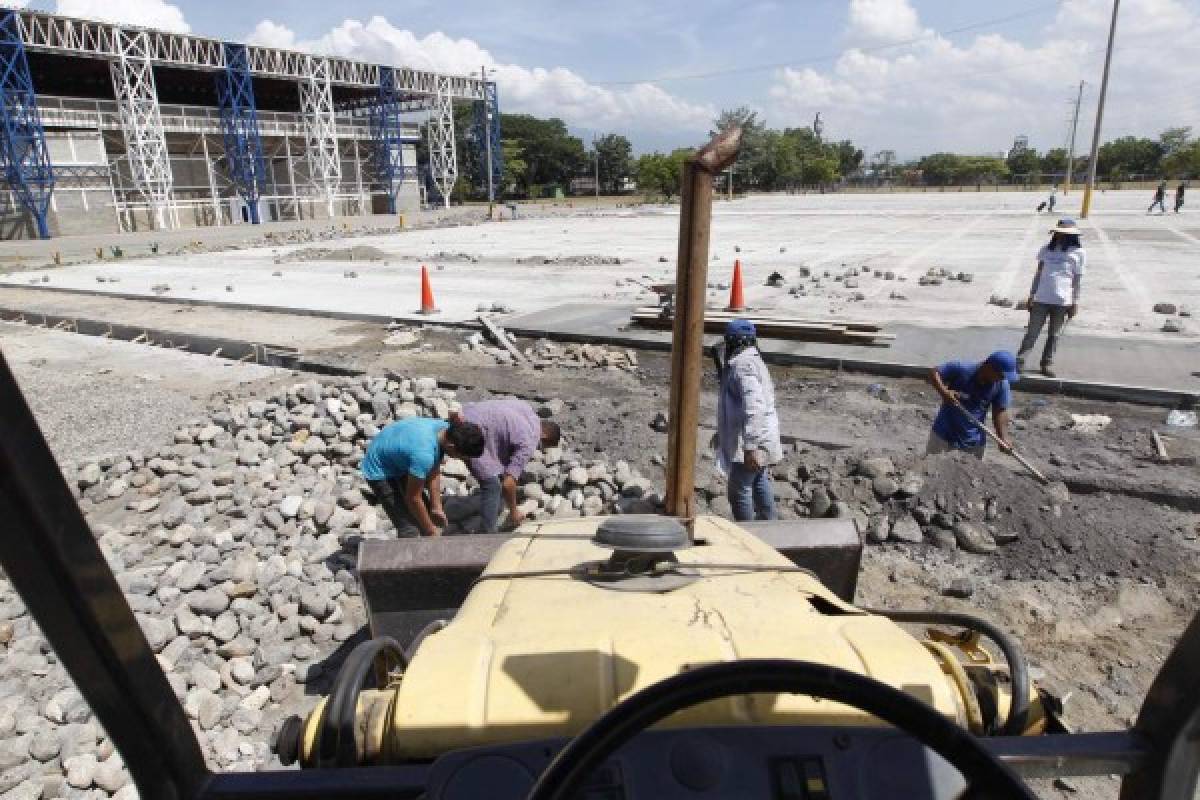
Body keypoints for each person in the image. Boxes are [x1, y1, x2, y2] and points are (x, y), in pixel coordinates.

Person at [361, 416, 485, 537]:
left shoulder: (445, 429)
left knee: (426, 515)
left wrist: (436, 507)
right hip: (379, 468)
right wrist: (430, 531)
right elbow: (413, 498)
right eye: (461, 457)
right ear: (451, 447)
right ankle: (410, 553)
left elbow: (434, 469)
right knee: (410, 528)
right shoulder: (424, 454)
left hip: (397, 452)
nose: (461, 460)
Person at [458, 398, 561, 532]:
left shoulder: (526, 409)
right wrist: (514, 511)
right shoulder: (529, 440)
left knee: (495, 473)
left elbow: (502, 431)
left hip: (465, 413)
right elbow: (508, 484)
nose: (538, 449)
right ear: (544, 436)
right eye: (542, 446)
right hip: (468, 433)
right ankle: (486, 535)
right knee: (492, 486)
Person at [715, 319, 783, 521]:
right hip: (757, 434)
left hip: (750, 439)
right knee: (759, 480)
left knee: (740, 490)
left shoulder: (743, 366)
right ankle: (770, 529)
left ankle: (749, 535)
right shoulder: (751, 360)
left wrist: (751, 445)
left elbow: (754, 407)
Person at [1017, 218, 1085, 378]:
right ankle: (1019, 363)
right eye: (1058, 233)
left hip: (1062, 302)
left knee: (1054, 335)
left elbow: (1077, 280)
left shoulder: (1079, 253)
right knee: (1031, 333)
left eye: (1064, 234)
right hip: (1041, 299)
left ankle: (1046, 364)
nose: (1060, 236)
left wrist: (1075, 302)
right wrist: (1031, 295)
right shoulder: (1046, 250)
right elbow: (1038, 274)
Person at [927, 352, 1018, 459]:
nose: (1002, 378)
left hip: (973, 442)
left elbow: (1000, 411)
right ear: (989, 367)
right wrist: (944, 392)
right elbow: (934, 373)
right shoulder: (962, 368)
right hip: (943, 436)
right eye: (1001, 375)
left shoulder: (1002, 385)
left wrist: (1003, 437)